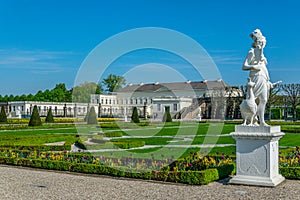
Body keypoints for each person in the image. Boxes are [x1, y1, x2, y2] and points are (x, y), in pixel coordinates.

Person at [242, 29, 272, 126]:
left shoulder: (262, 54)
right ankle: (251, 120)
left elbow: (264, 69)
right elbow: (244, 66)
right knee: (252, 99)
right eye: (261, 42)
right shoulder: (252, 52)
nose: (262, 44)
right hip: (255, 78)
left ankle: (262, 121)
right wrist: (253, 67)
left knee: (263, 100)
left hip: (263, 78)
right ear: (256, 42)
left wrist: (268, 81)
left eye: (263, 43)